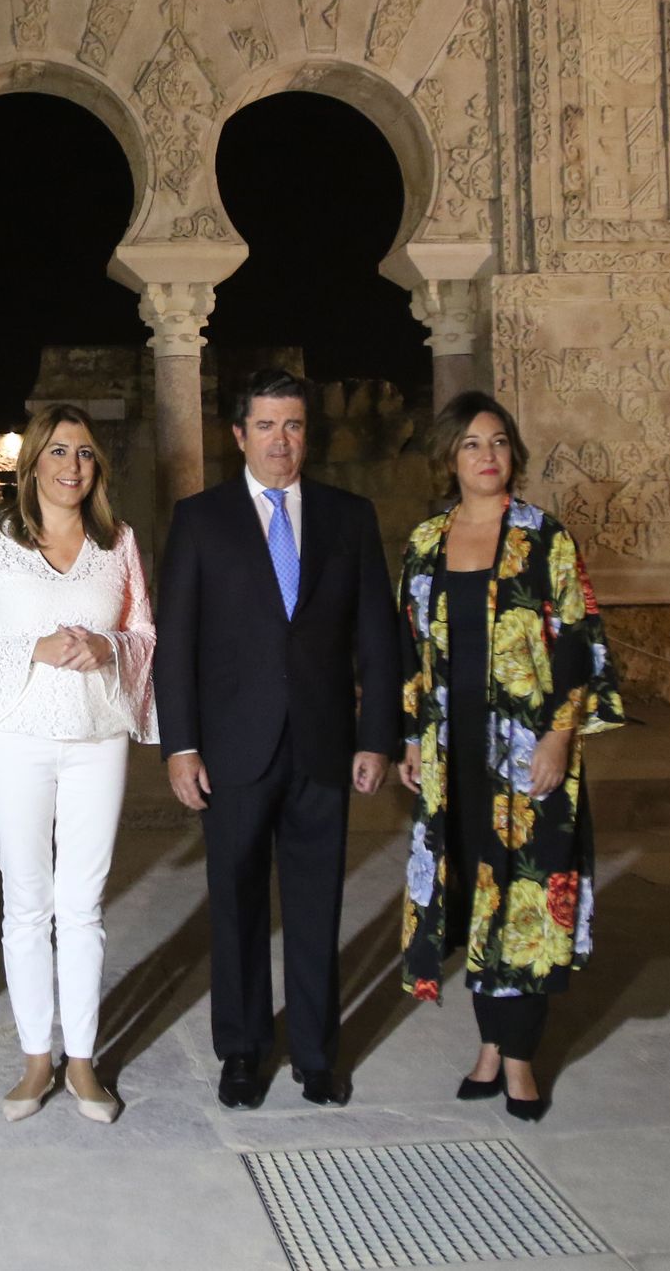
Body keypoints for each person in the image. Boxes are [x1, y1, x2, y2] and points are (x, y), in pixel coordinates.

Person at [154, 367, 398, 1110]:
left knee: (317, 902)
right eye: (265, 425)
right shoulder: (200, 521)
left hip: (325, 747)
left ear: (305, 435)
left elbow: (378, 639)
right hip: (233, 750)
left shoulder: (348, 517)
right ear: (238, 436)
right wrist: (180, 745)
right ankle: (242, 1051)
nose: (280, 440)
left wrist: (377, 735)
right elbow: (177, 644)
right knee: (235, 904)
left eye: (292, 425)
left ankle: (318, 1055)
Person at [396, 390, 624, 1121]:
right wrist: (408, 734)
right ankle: (488, 1043)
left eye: (496, 442)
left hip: (527, 755)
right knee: (472, 893)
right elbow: (411, 649)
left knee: (525, 898)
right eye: (470, 444)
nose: (486, 456)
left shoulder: (544, 538)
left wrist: (559, 735)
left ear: (512, 455)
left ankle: (518, 1058)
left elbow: (582, 640)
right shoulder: (426, 541)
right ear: (450, 459)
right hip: (451, 752)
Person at [0, 404, 157, 1125]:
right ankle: (37, 1056)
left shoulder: (117, 542)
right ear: (33, 462)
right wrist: (33, 648)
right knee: (27, 901)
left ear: (98, 467)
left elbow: (144, 631)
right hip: (16, 741)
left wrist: (111, 649)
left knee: (83, 903)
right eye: (59, 452)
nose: (72, 466)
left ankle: (84, 1061)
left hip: (97, 738)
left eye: (86, 454)